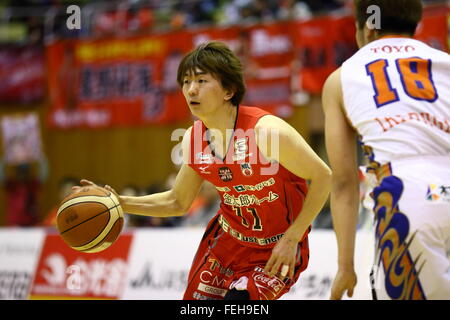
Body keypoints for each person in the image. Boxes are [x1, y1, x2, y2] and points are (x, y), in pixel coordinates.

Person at [76, 41, 331, 300]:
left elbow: (324, 177)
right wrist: (119, 203)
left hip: (277, 245)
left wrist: (293, 238)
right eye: (186, 82)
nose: (191, 90)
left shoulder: (267, 133)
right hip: (227, 244)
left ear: (229, 90)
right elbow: (177, 201)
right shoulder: (193, 140)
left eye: (201, 81)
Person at [322, 0, 450, 300]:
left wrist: (345, 266)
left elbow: (343, 183)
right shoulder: (445, 62)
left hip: (408, 197)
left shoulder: (342, 78)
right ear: (415, 24)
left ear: (367, 27)